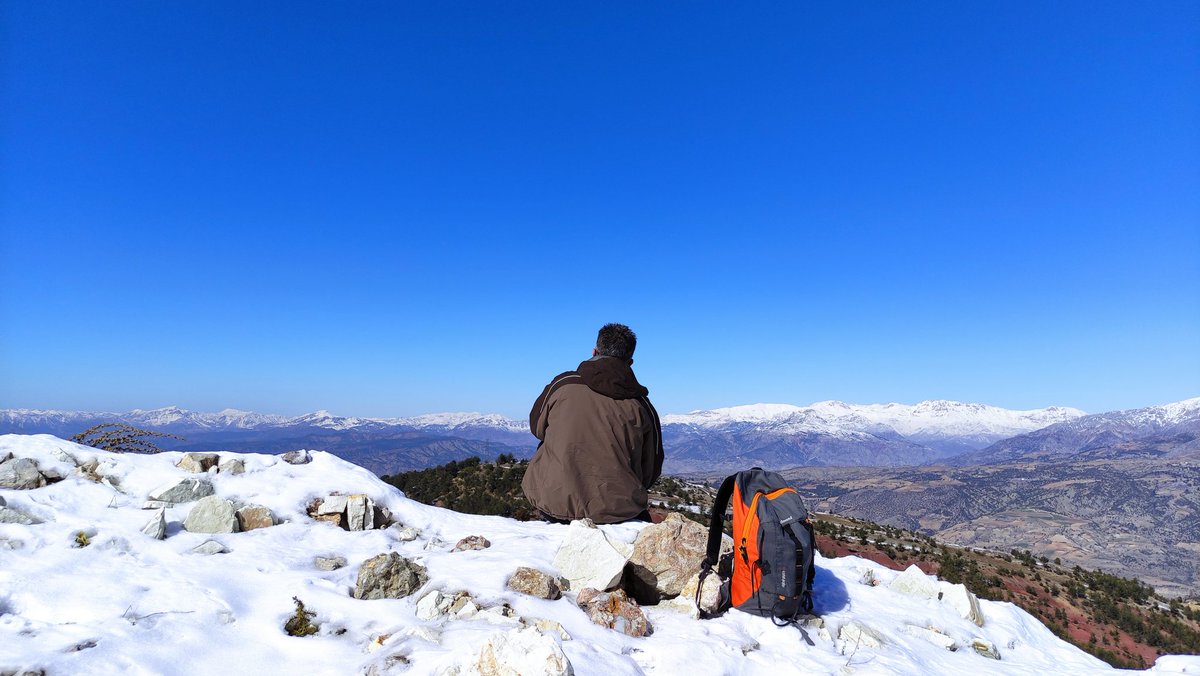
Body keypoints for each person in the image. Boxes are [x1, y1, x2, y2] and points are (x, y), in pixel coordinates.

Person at [521, 323, 663, 524]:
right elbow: (651, 468)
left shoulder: (563, 385)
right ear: (630, 361)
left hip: (552, 502)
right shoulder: (642, 406)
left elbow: (537, 428)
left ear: (594, 351)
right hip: (619, 512)